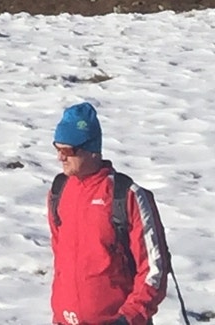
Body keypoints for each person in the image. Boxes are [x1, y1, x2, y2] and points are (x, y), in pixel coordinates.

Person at [48, 101, 170, 325]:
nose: (60, 157)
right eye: (57, 149)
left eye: (67, 150)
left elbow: (153, 268)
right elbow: (61, 260)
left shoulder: (126, 196)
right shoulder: (59, 192)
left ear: (92, 150)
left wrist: (128, 318)